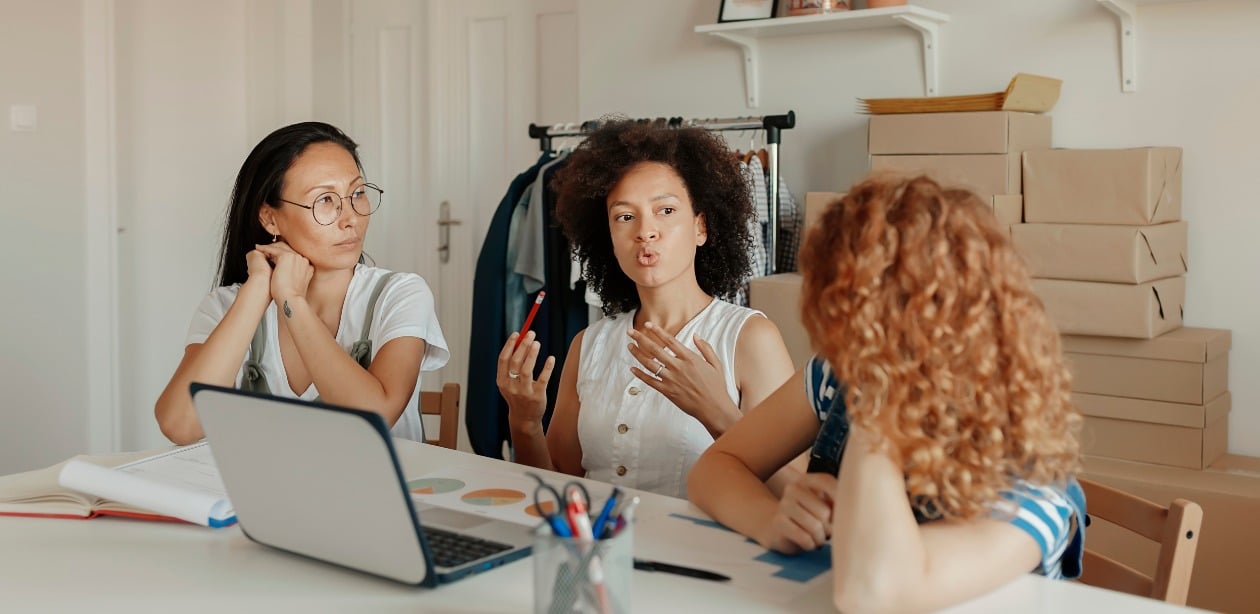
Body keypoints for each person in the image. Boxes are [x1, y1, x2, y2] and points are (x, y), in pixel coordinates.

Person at [688, 175, 1086, 612]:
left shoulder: (1031, 480)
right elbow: (715, 468)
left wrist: (878, 403)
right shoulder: (835, 376)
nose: (848, 348)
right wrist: (772, 520)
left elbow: (872, 592)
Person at [496, 119, 798, 499]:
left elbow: (794, 492)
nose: (645, 231)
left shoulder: (751, 339)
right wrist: (524, 423)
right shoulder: (588, 345)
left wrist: (718, 413)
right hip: (600, 552)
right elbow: (560, 486)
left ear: (701, 226)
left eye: (666, 211)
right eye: (625, 216)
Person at [155, 121, 449, 445]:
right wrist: (257, 290)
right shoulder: (226, 307)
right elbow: (180, 424)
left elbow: (375, 417)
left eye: (358, 193)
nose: (350, 217)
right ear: (270, 218)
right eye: (324, 200)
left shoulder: (400, 295)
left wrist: (291, 299)